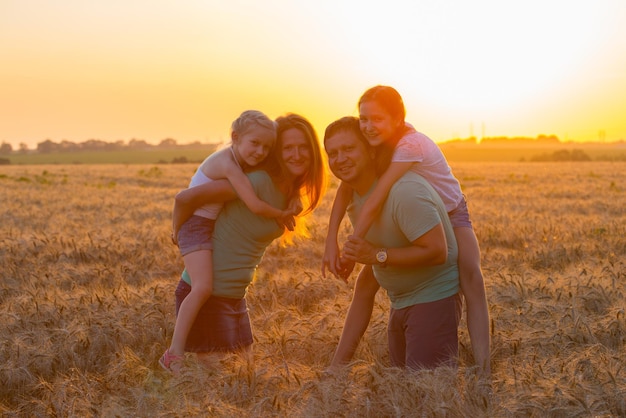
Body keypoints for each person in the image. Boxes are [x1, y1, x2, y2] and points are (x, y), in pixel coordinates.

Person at [322, 86, 490, 375]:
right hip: (418, 221)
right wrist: (332, 240)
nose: (370, 125)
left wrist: (358, 247)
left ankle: (484, 365)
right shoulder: (375, 150)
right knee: (366, 283)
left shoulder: (408, 149)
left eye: (377, 119)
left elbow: (380, 196)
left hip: (452, 211)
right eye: (364, 119)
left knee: (472, 278)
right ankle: (337, 367)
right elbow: (346, 188)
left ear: (398, 119)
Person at [161, 113, 326, 374]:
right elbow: (187, 198)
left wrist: (292, 201)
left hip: (236, 298)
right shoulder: (255, 182)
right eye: (288, 148)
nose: (296, 154)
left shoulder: (289, 194)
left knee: (247, 383)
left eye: (303, 146)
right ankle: (172, 356)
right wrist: (177, 231)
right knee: (223, 390)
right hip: (209, 297)